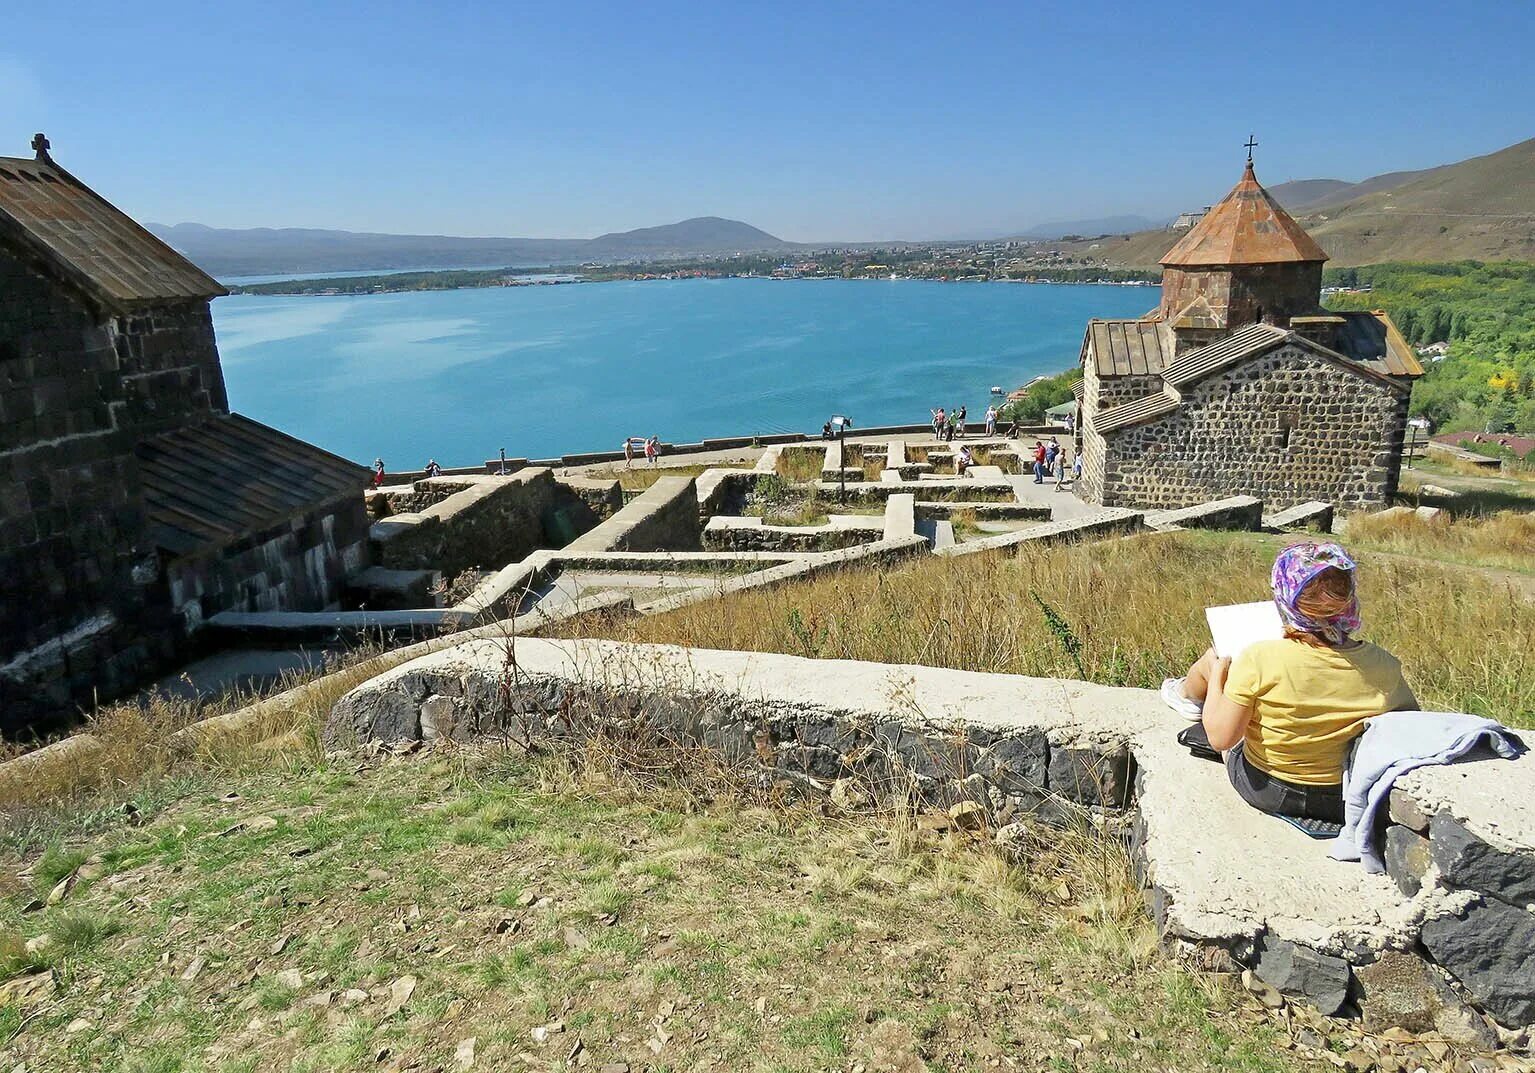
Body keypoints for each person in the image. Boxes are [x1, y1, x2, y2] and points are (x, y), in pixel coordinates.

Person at [1165, 542, 1419, 823]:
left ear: (1284, 599)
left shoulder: (1260, 657)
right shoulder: (1384, 664)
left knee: (1215, 661)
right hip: (1341, 796)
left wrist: (1217, 678)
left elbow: (1221, 738)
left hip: (1271, 787)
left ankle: (1187, 696)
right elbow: (1408, 724)